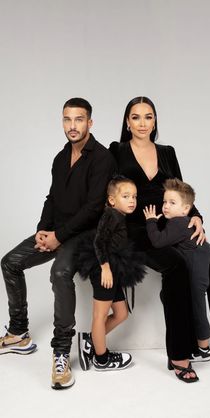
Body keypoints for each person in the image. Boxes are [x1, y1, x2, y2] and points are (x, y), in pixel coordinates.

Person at [109, 96, 210, 383]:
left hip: (173, 222)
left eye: (149, 116)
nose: (143, 123)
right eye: (136, 117)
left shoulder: (167, 151)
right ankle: (179, 354)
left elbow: (180, 189)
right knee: (176, 267)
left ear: (155, 121)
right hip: (137, 229)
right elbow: (110, 195)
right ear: (127, 122)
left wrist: (196, 216)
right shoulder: (117, 150)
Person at [0, 97, 116, 390]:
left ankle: (61, 352)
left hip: (84, 235)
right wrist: (42, 229)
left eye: (79, 120)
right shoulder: (60, 157)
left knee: (60, 273)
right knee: (10, 262)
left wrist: (59, 237)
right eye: (67, 119)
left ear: (90, 122)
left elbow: (93, 208)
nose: (72, 126)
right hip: (56, 231)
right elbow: (52, 198)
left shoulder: (102, 158)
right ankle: (19, 333)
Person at [77, 176, 145, 371]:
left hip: (113, 268)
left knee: (122, 313)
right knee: (100, 316)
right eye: (126, 196)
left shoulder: (119, 216)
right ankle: (101, 358)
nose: (132, 200)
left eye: (134, 196)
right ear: (112, 200)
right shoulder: (111, 215)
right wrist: (105, 268)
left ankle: (90, 341)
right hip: (103, 268)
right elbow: (99, 242)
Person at [144, 178, 210, 362]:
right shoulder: (180, 221)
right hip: (197, 265)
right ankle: (197, 344)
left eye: (172, 203)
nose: (165, 206)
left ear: (185, 209)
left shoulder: (179, 223)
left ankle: (204, 350)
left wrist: (150, 221)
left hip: (197, 271)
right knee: (174, 298)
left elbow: (158, 242)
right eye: (165, 202)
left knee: (197, 306)